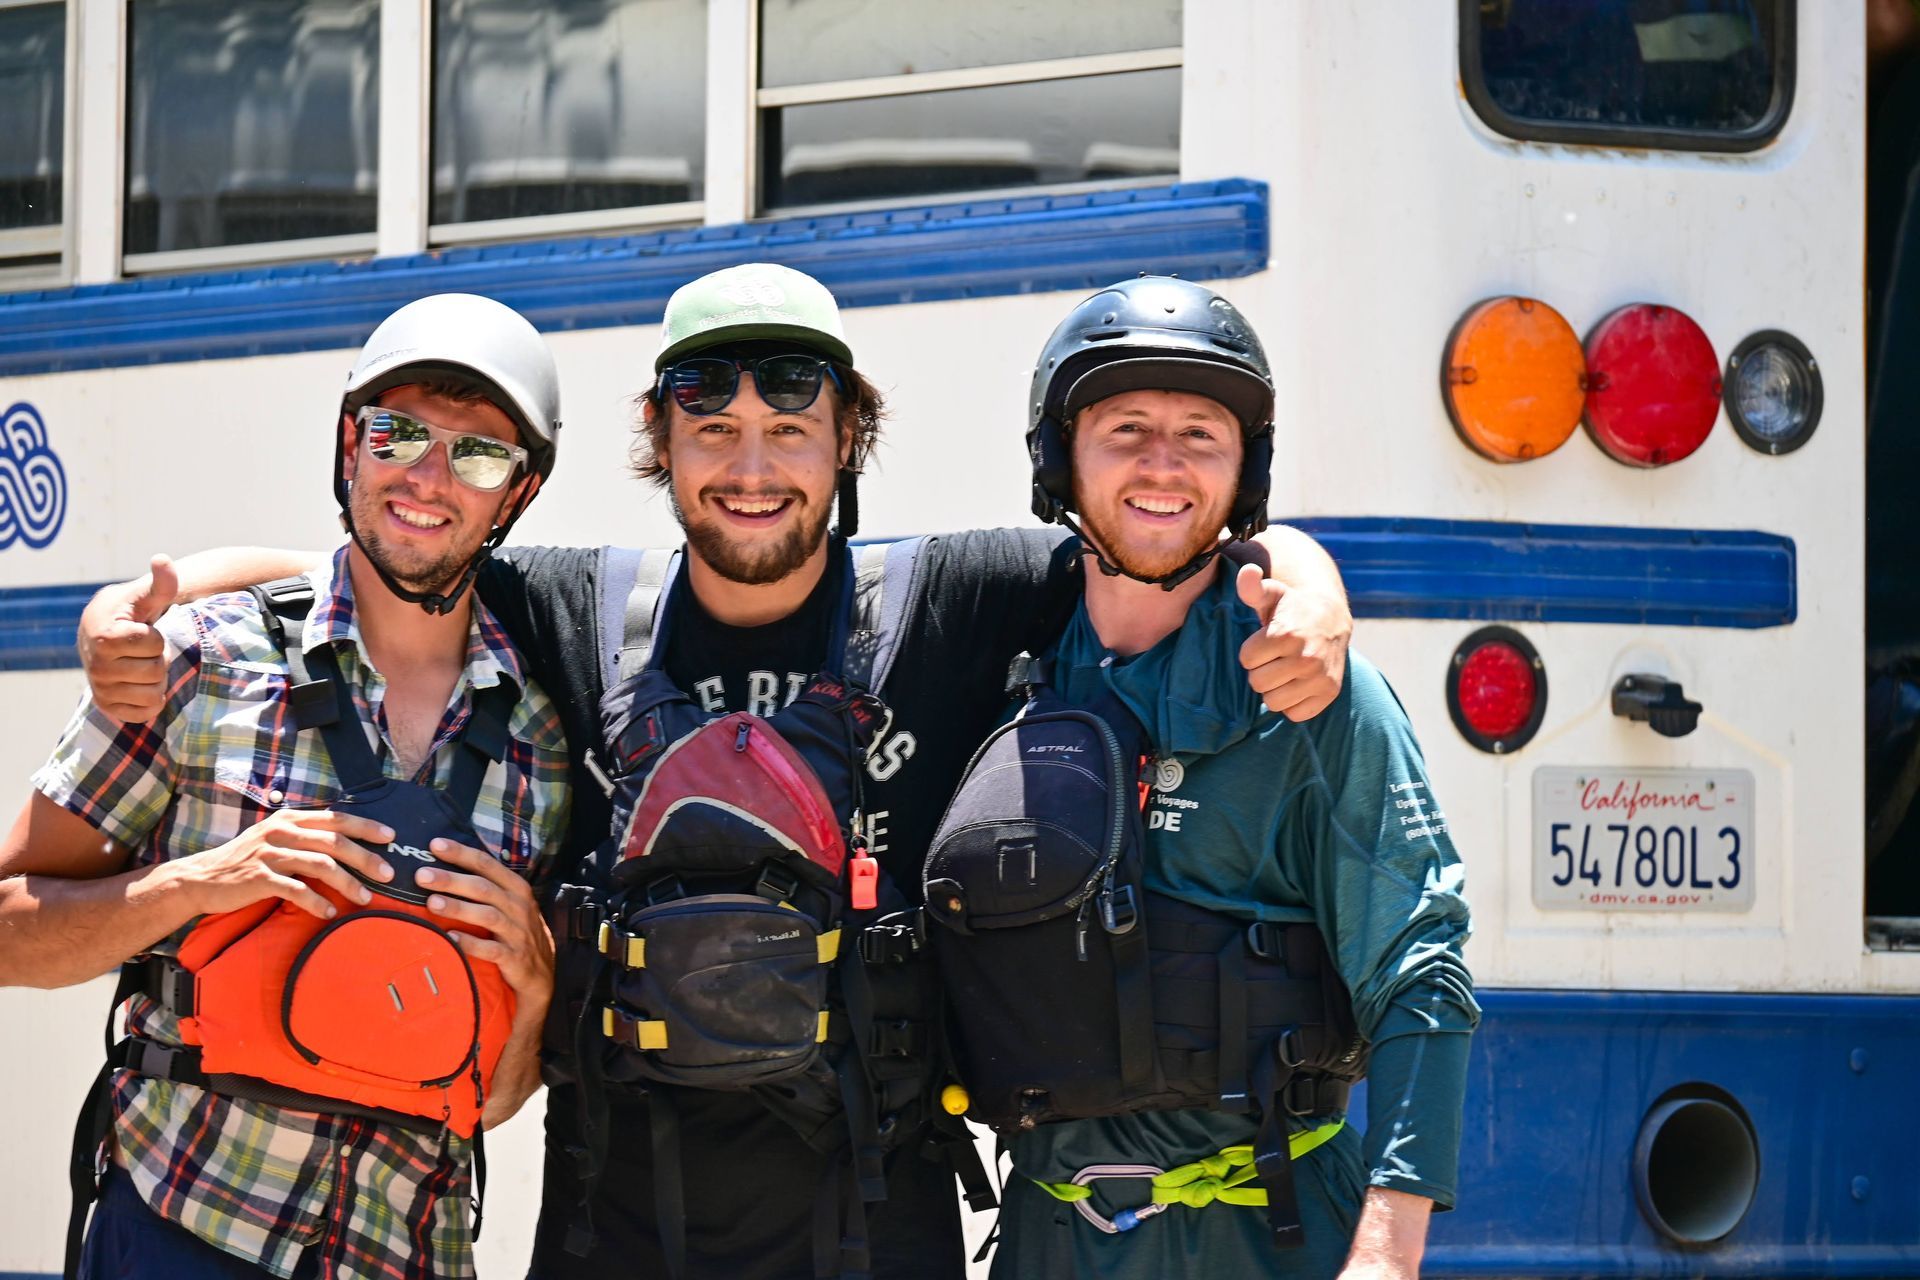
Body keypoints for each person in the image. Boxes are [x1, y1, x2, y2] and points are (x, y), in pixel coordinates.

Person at [72, 263, 1356, 1280]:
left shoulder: (944, 597)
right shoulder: (582, 605)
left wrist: (1310, 579)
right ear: (658, 438)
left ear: (848, 435)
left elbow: (1156, 533)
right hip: (610, 1222)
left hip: (877, 1221)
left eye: (791, 427)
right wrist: (148, 596)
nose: (752, 467)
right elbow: (385, 555)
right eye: (714, 426)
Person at [0, 293, 573, 1280]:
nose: (429, 479)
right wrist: (201, 881)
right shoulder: (196, 662)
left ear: (514, 495)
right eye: (398, 434)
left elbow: (489, 1098)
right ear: (352, 443)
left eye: (478, 455)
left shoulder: (541, 749)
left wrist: (535, 985)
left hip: (406, 1257)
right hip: (180, 1229)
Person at [967, 276, 1478, 1279]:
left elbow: (1423, 965)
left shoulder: (1316, 692)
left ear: (1247, 466)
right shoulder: (992, 660)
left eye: (1201, 433)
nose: (1164, 464)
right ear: (1058, 456)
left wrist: (1389, 1251)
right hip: (1048, 1236)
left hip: (1269, 1236)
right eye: (1125, 428)